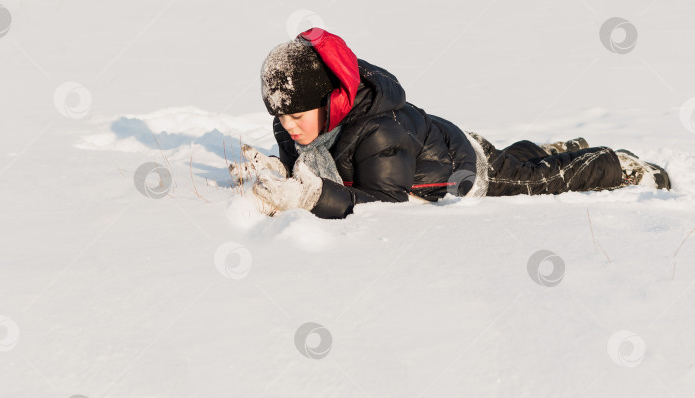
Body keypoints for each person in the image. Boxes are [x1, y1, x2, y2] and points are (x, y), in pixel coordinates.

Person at [229, 28, 672, 219]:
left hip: (458, 170)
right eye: (280, 116)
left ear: (332, 101)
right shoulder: (300, 126)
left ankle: (618, 164)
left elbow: (386, 203)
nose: (288, 127)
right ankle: (553, 146)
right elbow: (308, 168)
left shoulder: (378, 130)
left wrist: (310, 197)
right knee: (514, 159)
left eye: (297, 114)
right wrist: (276, 171)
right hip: (434, 142)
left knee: (536, 181)